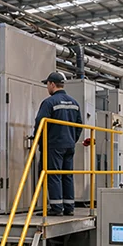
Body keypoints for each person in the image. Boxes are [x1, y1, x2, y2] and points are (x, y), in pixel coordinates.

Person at [35, 71, 83, 216]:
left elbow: (40, 123)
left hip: (54, 145)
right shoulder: (74, 103)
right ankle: (69, 207)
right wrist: (71, 139)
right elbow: (79, 124)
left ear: (52, 84)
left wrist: (40, 141)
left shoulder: (49, 102)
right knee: (66, 175)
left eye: (47, 85)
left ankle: (56, 208)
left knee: (53, 175)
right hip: (69, 145)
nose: (47, 88)